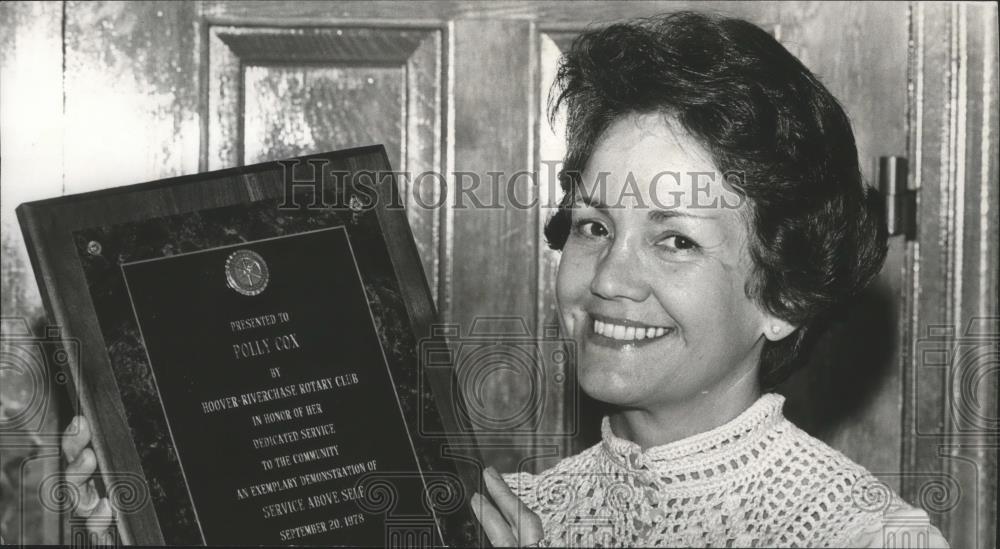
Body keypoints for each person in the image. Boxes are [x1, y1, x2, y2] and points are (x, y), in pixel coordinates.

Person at [63, 11, 947, 548]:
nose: (610, 278)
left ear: (782, 297)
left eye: (674, 240)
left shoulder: (864, 532)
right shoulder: (502, 514)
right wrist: (145, 515)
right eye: (596, 226)